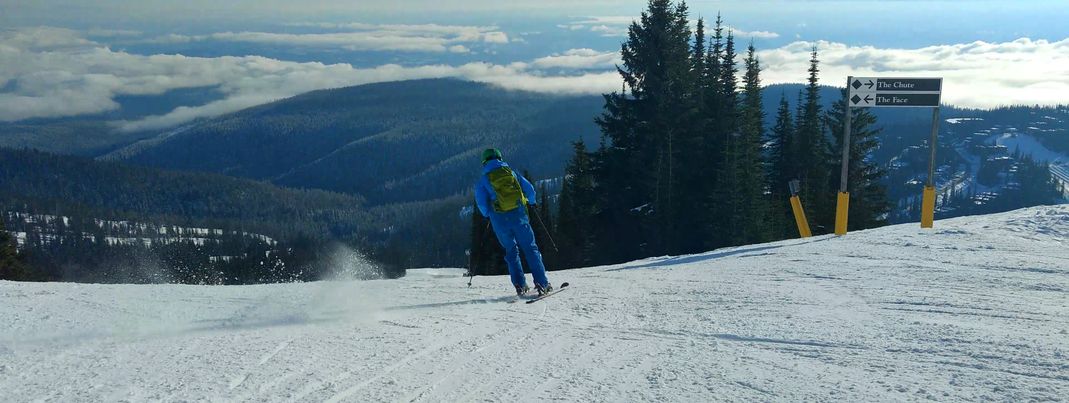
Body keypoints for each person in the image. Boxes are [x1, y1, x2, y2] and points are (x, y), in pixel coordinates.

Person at [474, 148, 553, 296]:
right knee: (530, 249)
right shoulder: (512, 173)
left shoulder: (483, 180)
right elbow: (529, 189)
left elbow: (482, 203)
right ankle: (542, 283)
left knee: (511, 251)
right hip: (519, 216)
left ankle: (519, 285)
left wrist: (488, 214)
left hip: (499, 220)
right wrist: (532, 202)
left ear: (484, 162)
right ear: (500, 158)